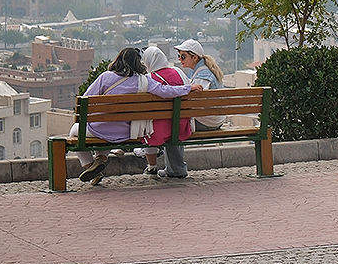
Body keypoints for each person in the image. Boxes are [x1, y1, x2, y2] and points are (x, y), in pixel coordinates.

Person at [76, 47, 202, 184]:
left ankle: (92, 168)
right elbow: (165, 90)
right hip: (128, 131)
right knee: (107, 131)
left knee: (75, 133)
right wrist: (188, 88)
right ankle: (100, 159)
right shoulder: (143, 81)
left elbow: (86, 100)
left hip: (102, 129)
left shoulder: (105, 77)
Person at [136, 45, 195, 179]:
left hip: (160, 131)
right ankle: (176, 169)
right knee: (174, 119)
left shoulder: (149, 78)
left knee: (155, 123)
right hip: (181, 126)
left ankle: (151, 161)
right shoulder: (178, 71)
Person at [176, 39, 226, 131]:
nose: (179, 59)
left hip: (208, 122)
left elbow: (194, 101)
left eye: (183, 56)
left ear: (194, 57)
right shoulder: (205, 70)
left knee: (172, 126)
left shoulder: (202, 76)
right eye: (179, 56)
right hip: (216, 120)